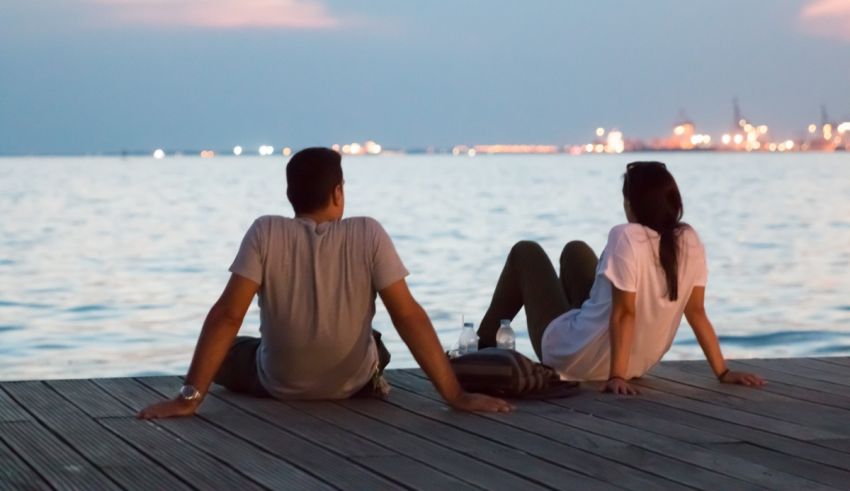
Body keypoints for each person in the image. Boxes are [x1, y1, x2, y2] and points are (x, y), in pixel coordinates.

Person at [139, 147, 512, 418]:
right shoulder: (369, 233)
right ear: (338, 193)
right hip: (351, 382)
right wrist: (456, 396)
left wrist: (188, 398)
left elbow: (226, 315)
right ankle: (371, 375)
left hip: (278, 382)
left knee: (234, 349)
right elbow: (408, 316)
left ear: (290, 196)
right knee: (376, 344)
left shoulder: (265, 231)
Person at [477, 161, 765, 395]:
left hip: (577, 358)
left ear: (632, 204)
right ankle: (576, 327)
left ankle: (480, 347)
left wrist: (615, 377)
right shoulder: (689, 239)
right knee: (576, 250)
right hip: (638, 364)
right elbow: (697, 312)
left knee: (525, 252)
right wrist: (723, 372)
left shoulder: (626, 236)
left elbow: (624, 312)